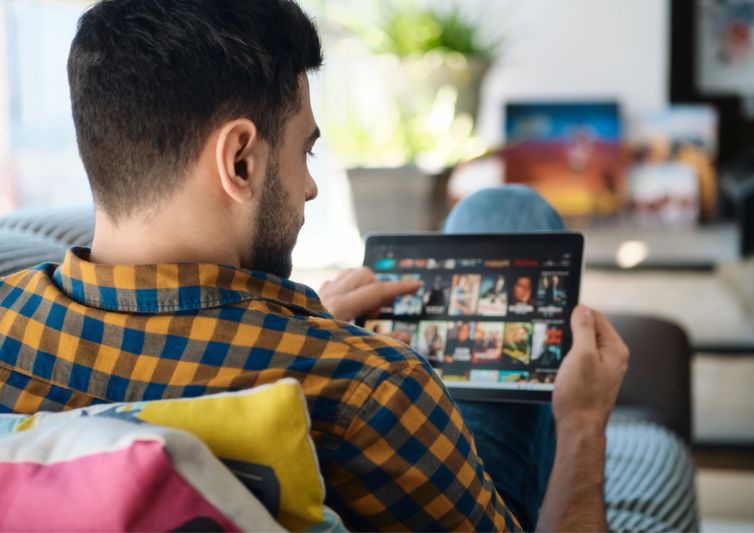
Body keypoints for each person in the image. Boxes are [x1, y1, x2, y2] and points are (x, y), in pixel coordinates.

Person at [0, 1, 629, 531]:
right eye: (306, 149)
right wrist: (582, 422)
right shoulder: (372, 388)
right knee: (509, 213)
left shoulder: (8, 317)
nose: (309, 188)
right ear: (239, 160)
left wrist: (305, 325)